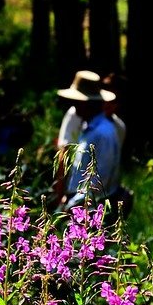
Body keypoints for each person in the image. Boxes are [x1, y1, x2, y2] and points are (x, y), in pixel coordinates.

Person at [54, 70, 122, 212]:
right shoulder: (92, 128)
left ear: (86, 103)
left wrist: (73, 205)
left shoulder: (102, 133)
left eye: (77, 101)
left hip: (89, 207)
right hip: (80, 201)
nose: (74, 104)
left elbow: (99, 180)